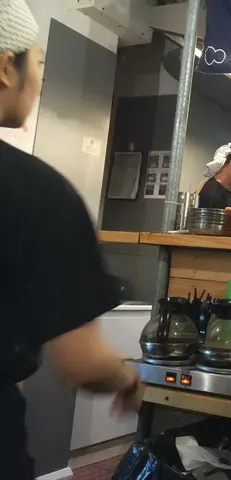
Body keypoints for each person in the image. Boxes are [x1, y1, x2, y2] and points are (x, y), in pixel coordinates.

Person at [0, 2, 142, 478]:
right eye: (39, 63)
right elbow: (83, 363)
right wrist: (125, 376)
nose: (40, 80)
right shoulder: (37, 191)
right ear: (6, 67)